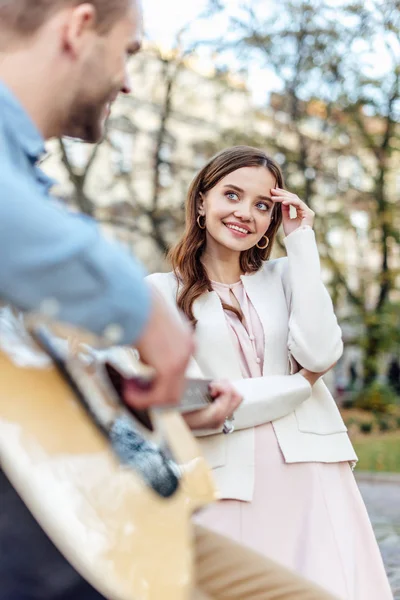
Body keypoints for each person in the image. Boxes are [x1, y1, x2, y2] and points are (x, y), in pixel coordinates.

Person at [0, 1, 339, 599]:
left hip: (97, 490)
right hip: (48, 511)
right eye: (128, 53)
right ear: (78, 28)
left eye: (264, 204)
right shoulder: (140, 283)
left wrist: (148, 405)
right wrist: (144, 313)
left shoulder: (28, 173)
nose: (129, 82)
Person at [147, 146, 393, 600]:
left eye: (262, 205)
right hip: (224, 478)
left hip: (313, 470)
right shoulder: (159, 294)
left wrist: (301, 242)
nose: (246, 213)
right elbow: (197, 401)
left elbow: (320, 351)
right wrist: (300, 385)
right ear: (202, 201)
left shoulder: (284, 275)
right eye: (232, 195)